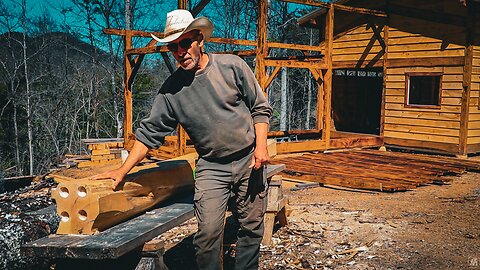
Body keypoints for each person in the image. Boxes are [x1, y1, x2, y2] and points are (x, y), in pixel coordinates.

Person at [94, 9, 273, 270]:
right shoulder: (171, 91)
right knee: (208, 235)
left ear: (199, 40)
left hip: (249, 159)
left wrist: (260, 147)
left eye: (185, 43)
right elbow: (149, 134)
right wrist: (122, 170)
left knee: (251, 228)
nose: (180, 51)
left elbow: (260, 108)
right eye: (173, 47)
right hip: (212, 167)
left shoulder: (232, 66)